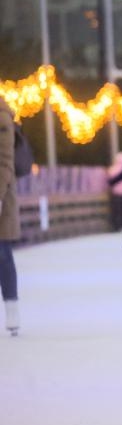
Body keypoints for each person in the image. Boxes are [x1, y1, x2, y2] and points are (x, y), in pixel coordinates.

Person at [0, 96, 21, 336]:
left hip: (2, 197)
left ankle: (12, 307)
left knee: (3, 254)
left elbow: (5, 161)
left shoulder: (2, 116)